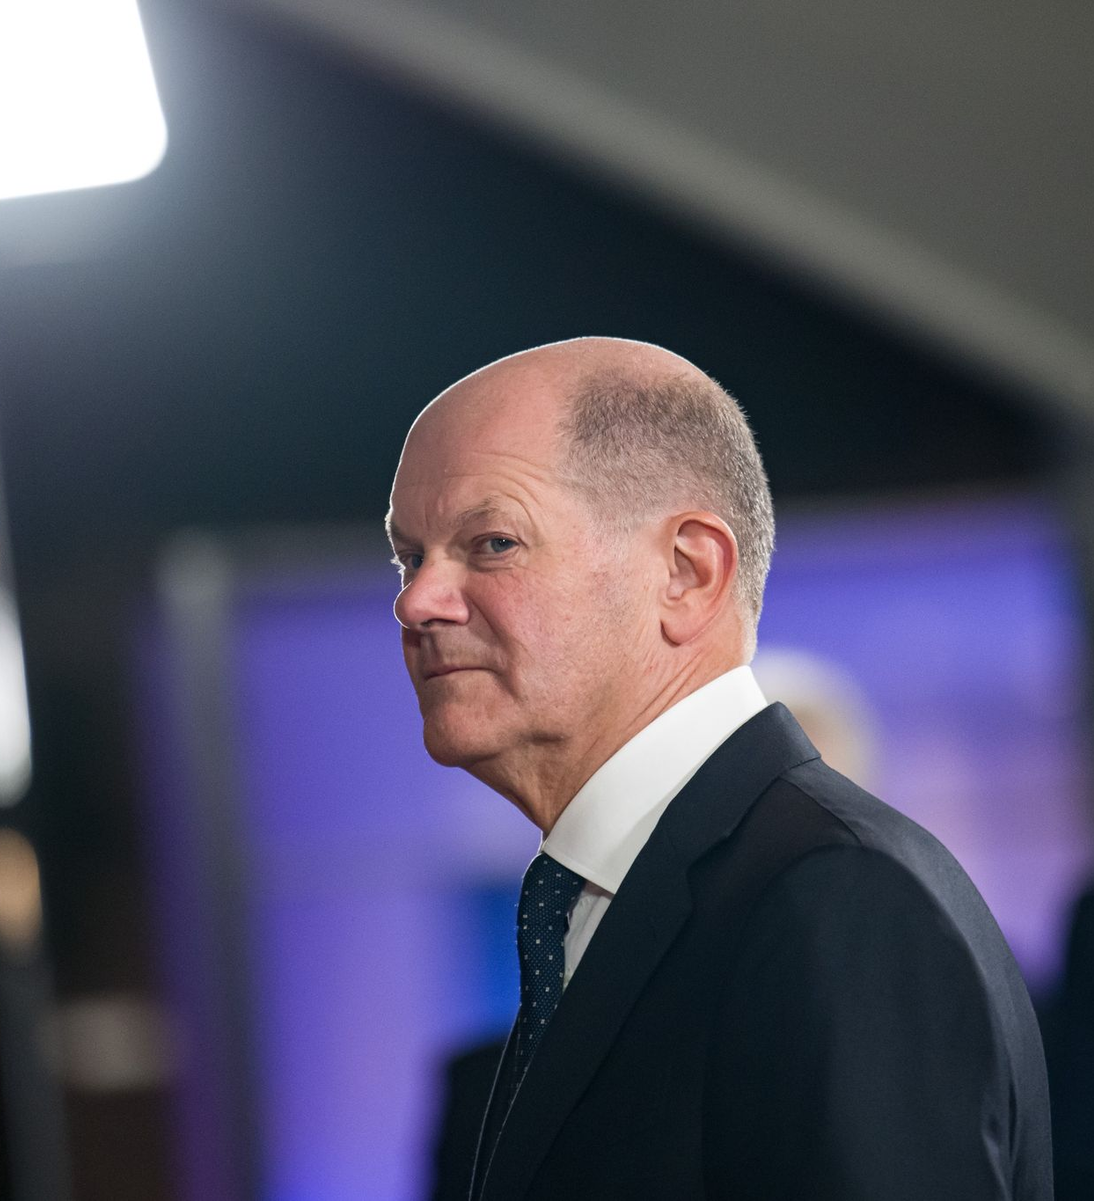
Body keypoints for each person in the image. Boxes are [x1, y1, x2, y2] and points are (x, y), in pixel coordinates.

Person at [386, 337, 1052, 1200]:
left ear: (688, 572)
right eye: (409, 557)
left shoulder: (836, 901)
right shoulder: (632, 897)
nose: (416, 601)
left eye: (492, 542)